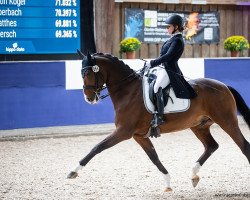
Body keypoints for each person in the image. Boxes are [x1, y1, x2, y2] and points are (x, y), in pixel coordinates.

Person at [145, 14, 197, 137]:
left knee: (157, 87)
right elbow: (163, 56)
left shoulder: (178, 40)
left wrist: (152, 62)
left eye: (168, 26)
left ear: (176, 27)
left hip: (170, 70)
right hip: (163, 68)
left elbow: (168, 57)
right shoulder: (172, 39)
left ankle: (159, 117)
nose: (166, 29)